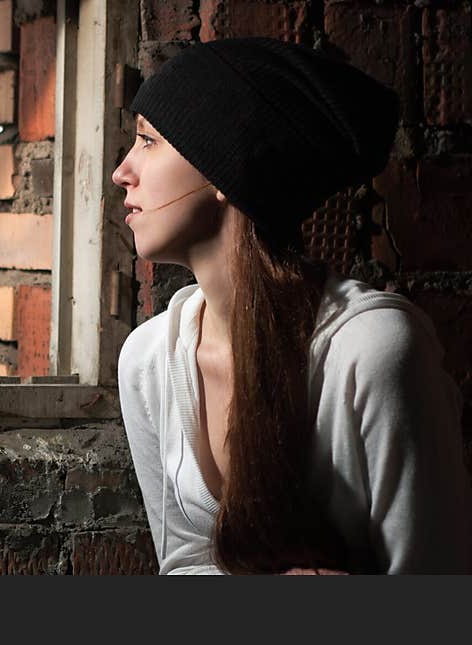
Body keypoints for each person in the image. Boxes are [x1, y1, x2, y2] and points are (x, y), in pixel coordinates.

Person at [113, 37, 472, 575]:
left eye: (148, 141)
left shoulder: (374, 353)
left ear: (223, 168)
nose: (123, 171)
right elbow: (186, 564)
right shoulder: (148, 361)